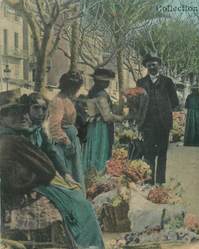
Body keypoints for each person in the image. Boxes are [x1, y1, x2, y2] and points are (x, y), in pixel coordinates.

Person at [0, 93, 104, 249]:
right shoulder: (13, 140)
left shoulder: (22, 133)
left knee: (76, 194)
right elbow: (46, 169)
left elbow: (51, 153)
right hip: (28, 186)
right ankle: (87, 244)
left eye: (21, 112)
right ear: (1, 118)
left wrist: (65, 174)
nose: (20, 117)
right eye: (12, 114)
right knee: (81, 204)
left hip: (31, 182)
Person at [137, 54, 179, 185]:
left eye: (154, 64)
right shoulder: (141, 83)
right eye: (149, 65)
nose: (152, 67)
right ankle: (149, 182)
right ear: (146, 67)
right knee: (148, 153)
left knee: (162, 153)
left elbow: (175, 101)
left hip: (163, 123)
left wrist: (163, 109)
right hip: (147, 124)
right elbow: (137, 102)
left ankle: (160, 183)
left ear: (159, 66)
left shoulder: (168, 82)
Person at [48, 70, 85, 192]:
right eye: (75, 87)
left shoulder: (66, 98)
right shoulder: (58, 101)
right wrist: (67, 141)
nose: (76, 90)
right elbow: (54, 126)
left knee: (76, 171)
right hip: (64, 142)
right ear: (69, 86)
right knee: (68, 172)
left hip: (71, 138)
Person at [83, 68, 125, 174]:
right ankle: (98, 174)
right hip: (101, 127)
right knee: (100, 151)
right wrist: (123, 118)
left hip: (93, 125)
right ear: (99, 81)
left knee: (93, 152)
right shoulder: (100, 94)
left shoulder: (92, 91)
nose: (107, 83)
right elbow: (107, 116)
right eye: (105, 81)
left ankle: (92, 174)